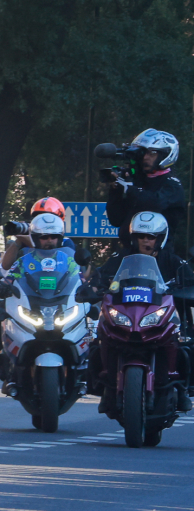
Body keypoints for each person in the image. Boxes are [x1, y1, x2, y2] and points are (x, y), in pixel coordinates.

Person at [89, 211, 194, 412]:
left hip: (161, 318)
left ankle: (182, 389)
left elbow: (190, 281)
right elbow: (101, 275)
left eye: (151, 237)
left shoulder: (173, 261)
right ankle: (105, 388)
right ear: (133, 237)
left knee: (187, 344)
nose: (145, 241)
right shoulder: (120, 257)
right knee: (98, 339)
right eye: (140, 236)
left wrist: (186, 289)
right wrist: (94, 286)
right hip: (126, 315)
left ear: (160, 238)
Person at [104, 129, 184, 250]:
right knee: (103, 269)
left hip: (159, 258)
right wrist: (115, 189)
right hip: (129, 256)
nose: (145, 158)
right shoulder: (136, 181)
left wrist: (130, 189)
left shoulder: (172, 185)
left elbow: (155, 202)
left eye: (151, 153)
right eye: (143, 153)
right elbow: (116, 219)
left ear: (165, 155)